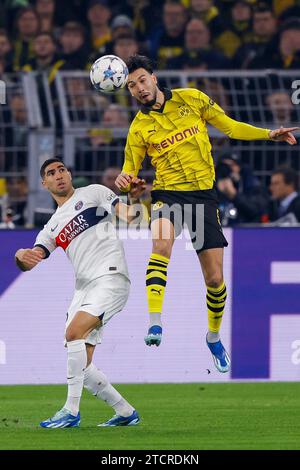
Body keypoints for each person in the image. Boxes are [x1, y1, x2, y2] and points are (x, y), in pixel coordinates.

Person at [115, 54, 298, 374]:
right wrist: (127, 186)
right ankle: (155, 323)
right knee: (160, 247)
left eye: (142, 80)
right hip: (167, 194)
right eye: (132, 86)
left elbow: (230, 128)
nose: (139, 88)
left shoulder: (192, 99)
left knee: (215, 280)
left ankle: (213, 337)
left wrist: (269, 133)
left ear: (154, 78)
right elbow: (129, 175)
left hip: (203, 198)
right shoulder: (138, 128)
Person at [14, 157, 146, 428]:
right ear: (44, 183)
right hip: (84, 288)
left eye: (62, 169)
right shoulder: (51, 226)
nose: (59, 175)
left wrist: (133, 199)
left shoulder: (94, 193)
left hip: (110, 276)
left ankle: (70, 411)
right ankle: (125, 412)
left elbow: (130, 216)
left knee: (73, 333)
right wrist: (21, 257)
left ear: (70, 174)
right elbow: (33, 258)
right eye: (52, 172)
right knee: (81, 363)